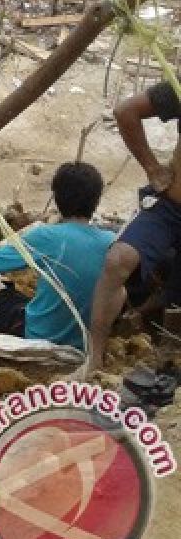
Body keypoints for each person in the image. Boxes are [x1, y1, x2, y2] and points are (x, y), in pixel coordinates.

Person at [0, 163, 114, 352]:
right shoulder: (113, 242)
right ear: (96, 200)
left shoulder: (47, 236)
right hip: (90, 340)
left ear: (56, 198)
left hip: (40, 335)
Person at [89, 81, 181, 375]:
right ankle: (93, 359)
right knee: (118, 259)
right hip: (170, 208)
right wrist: (152, 167)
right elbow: (125, 111)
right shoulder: (179, 88)